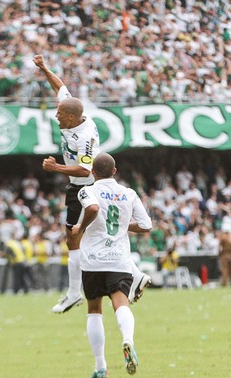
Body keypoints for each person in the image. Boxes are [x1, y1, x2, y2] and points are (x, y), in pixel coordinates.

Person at [34, 54, 150, 313]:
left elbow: (85, 169)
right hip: (82, 186)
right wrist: (43, 68)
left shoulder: (84, 137)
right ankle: (136, 275)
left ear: (73, 118)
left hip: (84, 188)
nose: (56, 115)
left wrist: (57, 168)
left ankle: (74, 293)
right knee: (87, 237)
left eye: (60, 114)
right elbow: (59, 86)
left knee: (74, 239)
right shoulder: (74, 114)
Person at [71, 152, 153, 378]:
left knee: (94, 311)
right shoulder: (129, 193)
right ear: (114, 171)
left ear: (92, 172)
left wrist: (81, 227)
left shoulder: (87, 190)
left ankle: (100, 366)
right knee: (121, 305)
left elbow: (93, 209)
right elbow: (146, 225)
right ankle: (128, 339)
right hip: (118, 260)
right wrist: (123, 225)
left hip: (93, 261)